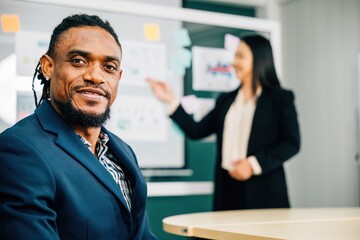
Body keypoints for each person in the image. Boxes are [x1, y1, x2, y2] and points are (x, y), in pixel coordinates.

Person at [0, 14, 157, 239]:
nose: (95, 76)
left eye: (109, 67)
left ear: (118, 77)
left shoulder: (123, 150)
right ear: (48, 67)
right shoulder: (17, 149)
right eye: (78, 61)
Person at [147, 34, 300, 211]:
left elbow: (291, 143)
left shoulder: (280, 98)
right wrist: (171, 100)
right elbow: (197, 131)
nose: (234, 62)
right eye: (235, 56)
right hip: (228, 188)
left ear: (259, 59)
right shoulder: (226, 100)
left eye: (241, 56)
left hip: (264, 189)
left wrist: (253, 164)